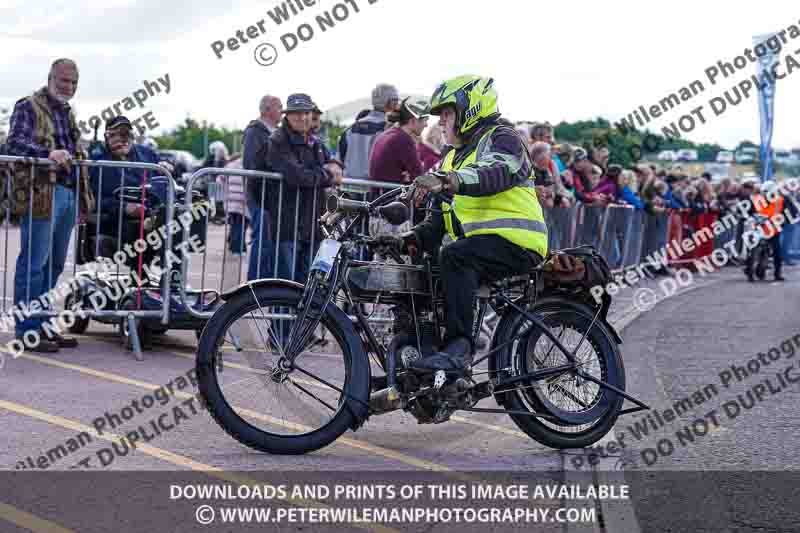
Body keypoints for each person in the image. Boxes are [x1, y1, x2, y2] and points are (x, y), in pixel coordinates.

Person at [397, 75, 548, 376]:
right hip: (482, 246)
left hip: (517, 243)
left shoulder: (503, 137)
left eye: (447, 113)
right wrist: (408, 238)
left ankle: (458, 350)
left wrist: (450, 180)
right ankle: (418, 352)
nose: (440, 121)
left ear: (471, 109)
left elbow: (497, 170)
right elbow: (438, 220)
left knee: (455, 256)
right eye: (439, 116)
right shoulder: (451, 157)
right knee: (420, 270)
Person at [6, 58, 90, 352]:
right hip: (41, 193)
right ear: (50, 78)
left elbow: (74, 154)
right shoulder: (27, 105)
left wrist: (83, 197)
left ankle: (42, 324)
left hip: (67, 193)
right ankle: (26, 329)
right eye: (64, 80)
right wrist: (47, 153)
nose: (68, 87)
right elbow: (14, 145)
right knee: (34, 263)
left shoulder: (67, 112)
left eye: (73, 82)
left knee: (54, 265)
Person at [266, 93, 343, 282]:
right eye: (296, 113)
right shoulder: (278, 140)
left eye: (306, 112)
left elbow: (334, 163)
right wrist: (328, 175)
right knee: (284, 288)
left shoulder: (315, 140)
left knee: (307, 285)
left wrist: (334, 166)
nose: (302, 117)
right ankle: (281, 313)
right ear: (287, 116)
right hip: (287, 224)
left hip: (313, 224)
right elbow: (297, 175)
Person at [88, 115, 169, 270]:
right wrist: (124, 207)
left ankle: (171, 281)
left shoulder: (148, 155)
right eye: (114, 135)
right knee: (138, 229)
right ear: (107, 137)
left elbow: (164, 183)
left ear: (132, 136)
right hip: (116, 219)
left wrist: (167, 168)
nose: (121, 139)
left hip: (154, 214)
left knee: (183, 223)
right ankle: (139, 281)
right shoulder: (97, 160)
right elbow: (91, 199)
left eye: (125, 134)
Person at [243, 94, 282, 280]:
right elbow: (253, 165)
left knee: (268, 243)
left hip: (271, 197)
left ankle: (263, 285)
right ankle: (254, 289)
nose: (282, 111)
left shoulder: (272, 131)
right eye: (279, 107)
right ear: (267, 110)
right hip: (261, 196)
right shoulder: (255, 132)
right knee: (262, 242)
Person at [338, 83, 399, 180]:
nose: (398, 104)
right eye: (396, 100)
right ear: (390, 102)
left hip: (348, 187)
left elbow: (339, 160)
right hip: (375, 189)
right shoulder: (389, 130)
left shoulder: (349, 130)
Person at [369, 97, 429, 190]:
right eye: (425, 120)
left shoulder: (389, 134)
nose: (426, 125)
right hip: (390, 199)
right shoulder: (403, 140)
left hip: (379, 197)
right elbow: (420, 176)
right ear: (413, 121)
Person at [746, 181, 786, 282]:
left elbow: (788, 212)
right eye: (764, 192)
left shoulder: (780, 200)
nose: (766, 194)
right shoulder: (756, 199)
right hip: (758, 228)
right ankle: (748, 268)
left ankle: (777, 273)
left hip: (773, 230)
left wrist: (784, 219)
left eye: (768, 192)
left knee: (777, 251)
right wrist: (746, 216)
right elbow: (748, 211)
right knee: (751, 248)